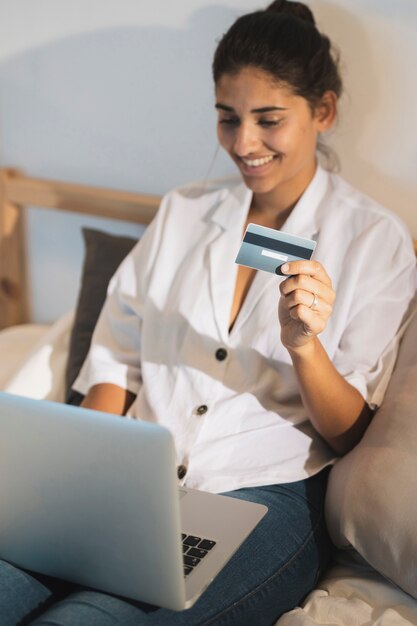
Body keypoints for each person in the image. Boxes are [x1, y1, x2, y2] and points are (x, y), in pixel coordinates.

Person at [1, 1, 416, 625]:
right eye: (228, 119)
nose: (244, 144)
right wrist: (87, 484)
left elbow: (349, 432)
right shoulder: (183, 213)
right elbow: (115, 359)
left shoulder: (373, 240)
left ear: (322, 112)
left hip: (261, 497)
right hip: (136, 484)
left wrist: (303, 344)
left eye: (268, 119)